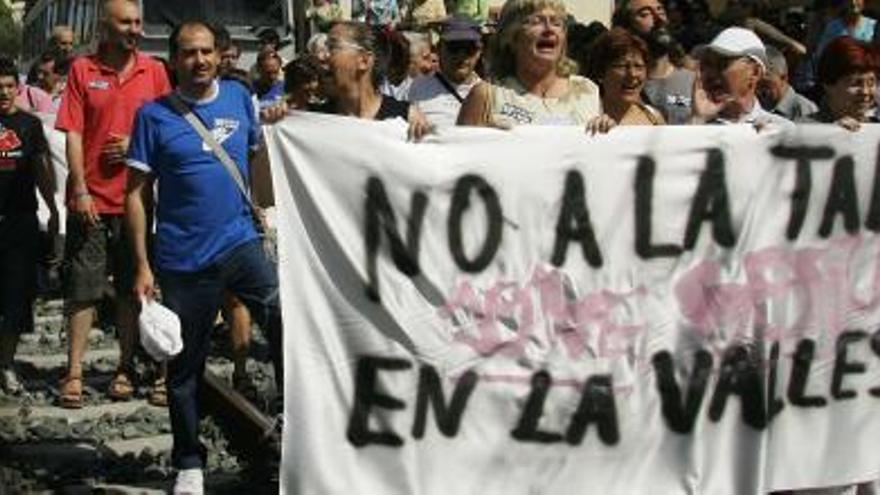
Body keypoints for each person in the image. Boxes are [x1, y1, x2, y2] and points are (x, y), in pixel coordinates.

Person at [124, 20, 284, 494]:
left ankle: (293, 422)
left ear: (221, 55)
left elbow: (258, 159)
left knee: (288, 322)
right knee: (184, 366)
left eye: (207, 52)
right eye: (190, 53)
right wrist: (141, 264)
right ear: (173, 60)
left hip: (241, 245)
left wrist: (271, 210)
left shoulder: (240, 99)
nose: (200, 61)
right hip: (183, 259)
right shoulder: (153, 116)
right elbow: (136, 195)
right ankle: (189, 462)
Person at [54, 0, 172, 409]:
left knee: (129, 290)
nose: (135, 29)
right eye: (126, 22)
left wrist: (138, 142)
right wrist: (80, 189)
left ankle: (124, 366)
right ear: (105, 26)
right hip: (91, 200)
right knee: (83, 290)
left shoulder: (154, 71)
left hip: (136, 201)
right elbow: (72, 132)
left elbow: (169, 128)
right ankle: (74, 372)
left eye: (139, 22)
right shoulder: (82, 71)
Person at [457, 0, 611, 131]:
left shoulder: (587, 91)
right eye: (536, 22)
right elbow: (462, 158)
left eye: (556, 23)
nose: (549, 30)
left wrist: (607, 131)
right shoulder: (486, 96)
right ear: (511, 37)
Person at [0, 57, 59, 395]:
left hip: (20, 221)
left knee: (15, 299)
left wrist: (52, 208)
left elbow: (41, 169)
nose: (4, 93)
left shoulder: (29, 125)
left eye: (10, 87)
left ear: (18, 88)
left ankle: (6, 364)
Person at [315, 21, 432, 138]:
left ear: (364, 61)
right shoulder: (313, 120)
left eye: (332, 47)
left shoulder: (406, 119)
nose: (321, 56)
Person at [613, 0, 695, 124]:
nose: (658, 19)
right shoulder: (618, 86)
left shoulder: (694, 83)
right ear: (627, 28)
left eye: (660, 10)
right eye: (645, 14)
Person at [690, 27, 791, 127]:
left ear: (755, 73)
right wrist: (698, 120)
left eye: (722, 64)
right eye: (707, 64)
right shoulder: (686, 123)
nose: (711, 73)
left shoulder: (779, 129)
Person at [408, 14, 483, 128]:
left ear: (479, 52)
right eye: (454, 47)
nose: (461, 55)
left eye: (469, 48)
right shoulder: (418, 87)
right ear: (438, 49)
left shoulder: (490, 96)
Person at [587, 28, 665, 125]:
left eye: (638, 66)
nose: (632, 74)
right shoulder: (585, 116)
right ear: (601, 72)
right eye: (621, 66)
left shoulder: (654, 118)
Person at [800, 36, 878, 130]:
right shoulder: (803, 130)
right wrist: (832, 133)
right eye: (855, 84)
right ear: (828, 84)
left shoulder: (875, 127)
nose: (865, 91)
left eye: (871, 83)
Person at [758, 45, 818, 120]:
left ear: (784, 77)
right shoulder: (752, 105)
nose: (758, 90)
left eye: (765, 84)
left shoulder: (804, 109)